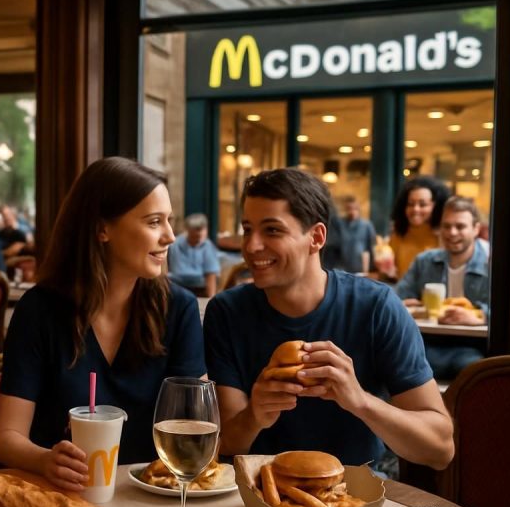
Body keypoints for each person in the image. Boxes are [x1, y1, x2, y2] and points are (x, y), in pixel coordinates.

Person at [203, 168, 454, 471]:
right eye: (247, 229)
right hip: (256, 493)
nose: (252, 246)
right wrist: (255, 414)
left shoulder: (376, 306)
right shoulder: (227, 312)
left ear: (316, 237)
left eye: (272, 230)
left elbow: (440, 450)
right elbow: (227, 443)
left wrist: (359, 400)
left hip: (358, 494)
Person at [0, 157, 207, 491]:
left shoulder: (178, 308)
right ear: (102, 229)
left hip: (152, 496)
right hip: (64, 497)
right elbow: (7, 437)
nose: (170, 236)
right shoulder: (39, 310)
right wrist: (44, 460)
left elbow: (198, 423)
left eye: (169, 221)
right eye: (154, 222)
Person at [396, 196, 489, 379]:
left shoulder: (491, 264)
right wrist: (406, 306)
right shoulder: (424, 261)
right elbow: (399, 297)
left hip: (471, 346)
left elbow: (509, 315)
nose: (452, 233)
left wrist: (479, 316)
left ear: (476, 229)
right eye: (446, 226)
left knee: (470, 368)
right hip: (426, 342)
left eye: (460, 226)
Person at [388, 176, 450, 279]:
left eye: (423, 204)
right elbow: (393, 274)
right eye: (410, 204)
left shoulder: (444, 236)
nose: (415, 209)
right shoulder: (398, 235)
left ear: (436, 206)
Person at [167, 213, 221, 298]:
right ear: (188, 230)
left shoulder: (207, 246)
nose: (199, 233)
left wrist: (211, 299)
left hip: (199, 288)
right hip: (175, 286)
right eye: (196, 230)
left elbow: (211, 274)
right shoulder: (175, 244)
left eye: (202, 229)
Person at [322, 195, 376, 274]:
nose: (352, 212)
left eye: (355, 208)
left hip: (360, 269)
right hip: (342, 269)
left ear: (358, 209)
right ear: (346, 209)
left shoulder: (366, 225)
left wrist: (369, 269)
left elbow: (370, 248)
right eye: (349, 209)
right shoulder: (339, 224)